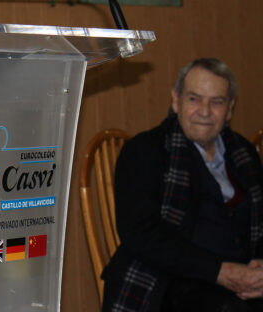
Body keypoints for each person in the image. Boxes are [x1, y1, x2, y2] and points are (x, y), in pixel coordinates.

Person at [102, 58, 263, 312]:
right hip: (168, 282)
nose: (205, 111)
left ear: (230, 109)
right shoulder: (145, 151)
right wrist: (219, 271)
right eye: (194, 99)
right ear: (176, 100)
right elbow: (141, 233)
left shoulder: (244, 154)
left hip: (243, 279)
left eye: (217, 102)